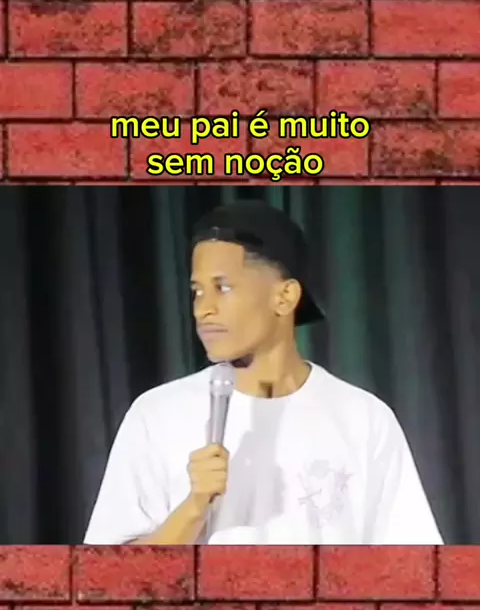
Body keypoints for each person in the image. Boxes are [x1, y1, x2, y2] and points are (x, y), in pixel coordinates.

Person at [83, 199, 444, 545]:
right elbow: (111, 574)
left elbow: (413, 568)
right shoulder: (157, 415)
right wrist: (194, 507)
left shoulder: (364, 419)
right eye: (197, 292)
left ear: (284, 297)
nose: (202, 310)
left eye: (223, 288)